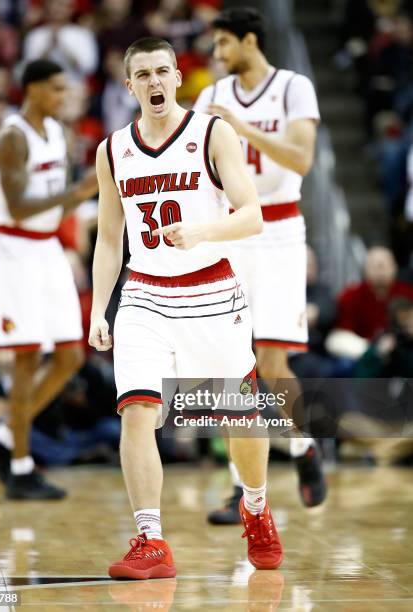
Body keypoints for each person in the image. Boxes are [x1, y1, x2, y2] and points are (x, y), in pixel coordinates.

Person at [89, 36, 283, 579]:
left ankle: (256, 506)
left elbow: (251, 215)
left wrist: (201, 231)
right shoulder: (112, 150)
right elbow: (109, 239)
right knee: (137, 413)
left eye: (161, 72)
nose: (153, 82)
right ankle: (151, 540)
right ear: (129, 86)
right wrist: (100, 308)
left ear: (178, 76)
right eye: (142, 75)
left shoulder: (210, 133)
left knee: (239, 416)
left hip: (213, 292)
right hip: (145, 294)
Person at [193, 7, 327, 521]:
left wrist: (242, 128)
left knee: (273, 366)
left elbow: (302, 158)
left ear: (250, 41)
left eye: (225, 43)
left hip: (279, 232)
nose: (218, 54)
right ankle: (239, 487)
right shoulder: (210, 96)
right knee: (229, 365)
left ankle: (304, 446)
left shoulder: (293, 86)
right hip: (230, 231)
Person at [0, 59, 98, 500]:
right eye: (56, 89)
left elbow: (53, 205)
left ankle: (4, 437)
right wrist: (81, 192)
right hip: (12, 249)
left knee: (70, 357)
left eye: (66, 90)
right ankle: (21, 468)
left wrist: (76, 203)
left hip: (45, 249)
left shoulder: (60, 135)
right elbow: (20, 205)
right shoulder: (11, 137)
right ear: (33, 89)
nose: (63, 98)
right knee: (26, 358)